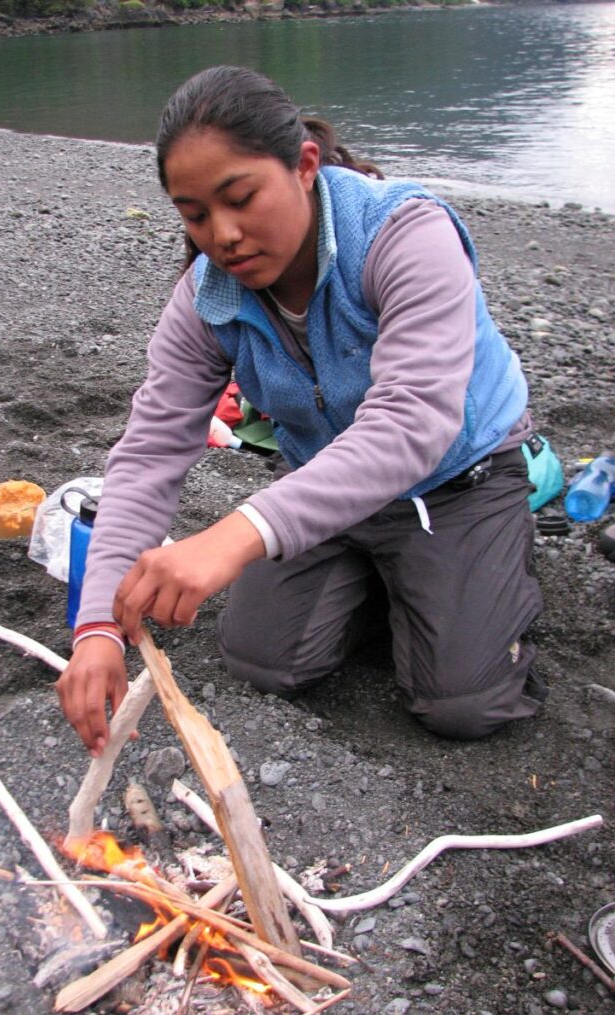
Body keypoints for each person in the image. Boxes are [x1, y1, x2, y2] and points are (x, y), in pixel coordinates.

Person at [56, 65, 546, 754]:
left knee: (461, 702)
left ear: (304, 165)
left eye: (241, 197)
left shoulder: (404, 236)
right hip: (329, 492)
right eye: (195, 214)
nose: (222, 235)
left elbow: (413, 424)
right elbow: (148, 456)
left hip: (457, 480)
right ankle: (402, 583)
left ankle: (476, 569)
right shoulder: (208, 300)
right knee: (263, 659)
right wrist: (97, 628)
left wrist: (235, 535)